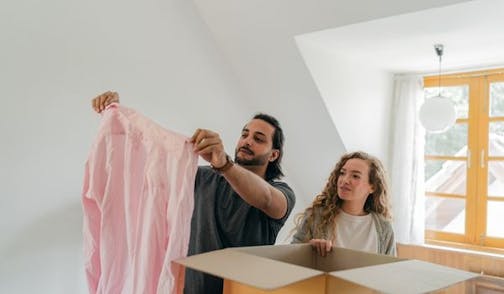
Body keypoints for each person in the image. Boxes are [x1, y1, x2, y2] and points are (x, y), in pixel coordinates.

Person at [91, 91, 296, 294]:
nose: (247, 141)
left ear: (273, 155)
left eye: (259, 139)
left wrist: (224, 164)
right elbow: (146, 169)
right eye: (244, 134)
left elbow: (266, 199)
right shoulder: (202, 177)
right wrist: (118, 119)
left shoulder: (282, 192)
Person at [292, 151, 395, 257]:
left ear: (372, 187)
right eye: (342, 173)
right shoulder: (316, 216)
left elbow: (390, 270)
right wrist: (308, 249)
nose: (345, 180)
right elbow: (291, 257)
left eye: (355, 176)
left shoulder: (384, 228)